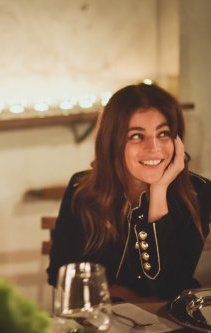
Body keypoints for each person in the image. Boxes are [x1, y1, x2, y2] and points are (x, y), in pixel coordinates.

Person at [47, 83, 210, 301]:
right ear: (114, 141)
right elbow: (61, 273)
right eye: (136, 136)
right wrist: (123, 295)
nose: (154, 147)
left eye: (163, 133)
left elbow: (171, 288)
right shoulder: (81, 188)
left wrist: (159, 192)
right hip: (103, 320)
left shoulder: (197, 192)